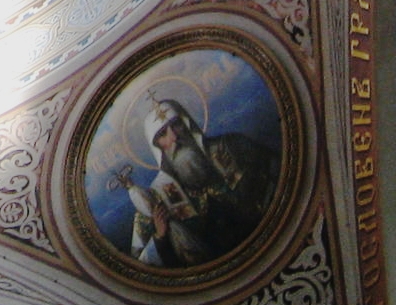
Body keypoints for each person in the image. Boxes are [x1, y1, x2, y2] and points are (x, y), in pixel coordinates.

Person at [110, 96, 277, 267]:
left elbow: (277, 171)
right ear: (157, 146)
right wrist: (160, 238)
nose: (174, 137)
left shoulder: (232, 147)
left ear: (187, 124)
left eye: (176, 125)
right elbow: (140, 265)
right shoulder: (154, 200)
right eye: (162, 134)